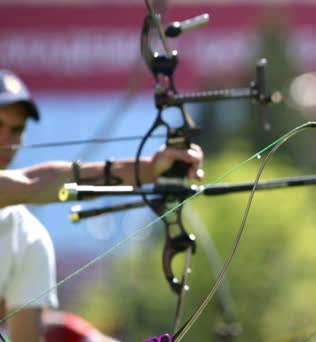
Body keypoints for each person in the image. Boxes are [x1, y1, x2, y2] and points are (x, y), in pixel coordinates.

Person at [0, 69, 204, 341]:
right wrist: (149, 170)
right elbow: (35, 182)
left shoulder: (29, 239)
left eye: (17, 129)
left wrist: (155, 169)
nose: (6, 140)